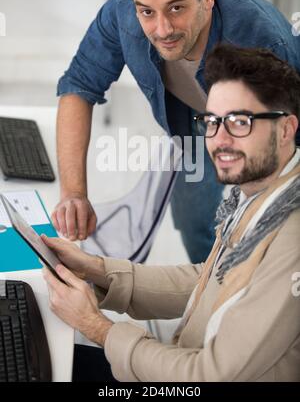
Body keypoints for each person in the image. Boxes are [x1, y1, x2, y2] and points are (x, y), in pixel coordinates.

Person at [43, 45, 300, 382]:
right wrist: (98, 271)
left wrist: (97, 328)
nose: (219, 139)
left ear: (285, 129)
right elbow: (209, 283)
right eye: (211, 121)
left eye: (239, 122)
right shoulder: (260, 190)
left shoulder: (291, 236)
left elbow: (208, 375)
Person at [53, 0, 300, 264]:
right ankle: (208, 286)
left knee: (261, 236)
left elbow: (285, 145)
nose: (162, 28)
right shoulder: (125, 8)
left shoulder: (260, 38)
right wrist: (73, 195)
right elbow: (79, 84)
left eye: (177, 7)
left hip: (263, 130)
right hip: (193, 121)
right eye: (147, 12)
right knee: (191, 220)